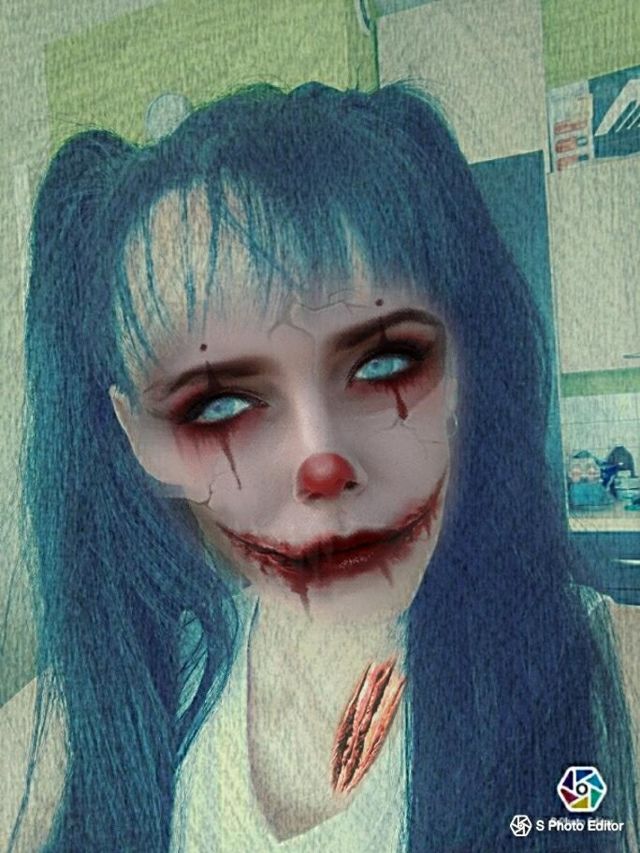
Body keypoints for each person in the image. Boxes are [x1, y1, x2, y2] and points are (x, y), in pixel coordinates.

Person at [1, 81, 638, 852]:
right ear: (143, 439)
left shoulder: (615, 683)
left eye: (382, 362)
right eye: (221, 403)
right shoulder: (72, 737)